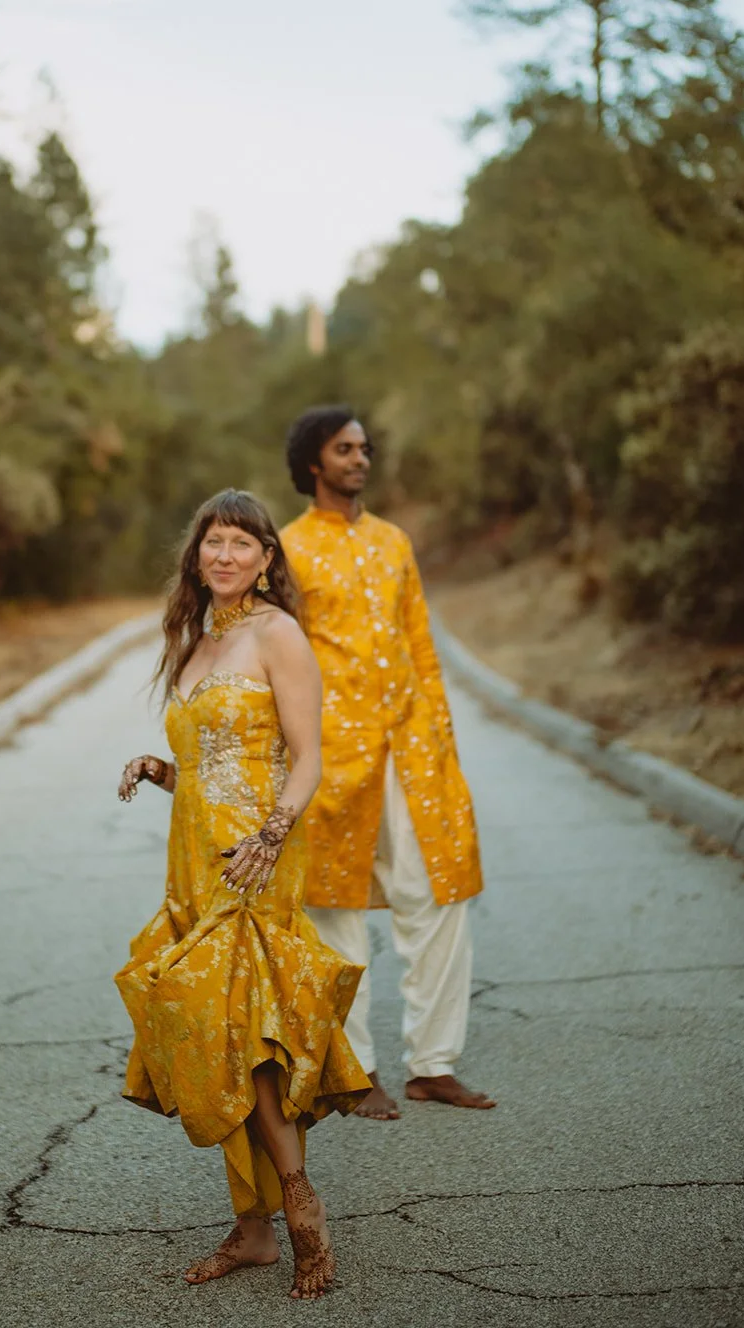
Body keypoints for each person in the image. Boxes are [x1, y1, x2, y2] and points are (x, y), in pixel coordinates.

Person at [115, 488, 370, 1299]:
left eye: (240, 543)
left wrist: (270, 836)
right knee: (218, 1037)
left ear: (265, 559)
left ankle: (299, 1205)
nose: (223, 555)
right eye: (212, 542)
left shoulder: (277, 633)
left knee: (253, 1040)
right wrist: (162, 771)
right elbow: (212, 763)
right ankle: (252, 1229)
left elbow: (305, 757)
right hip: (194, 862)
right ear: (195, 556)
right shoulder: (195, 640)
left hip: (256, 861)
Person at [280, 407, 495, 1121]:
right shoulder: (289, 550)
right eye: (344, 449)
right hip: (333, 755)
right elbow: (282, 655)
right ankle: (356, 1069)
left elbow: (420, 645)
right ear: (314, 461)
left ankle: (433, 1065)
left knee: (437, 894)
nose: (360, 459)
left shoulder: (392, 541)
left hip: (411, 745)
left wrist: (438, 733)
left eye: (365, 448)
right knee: (333, 909)